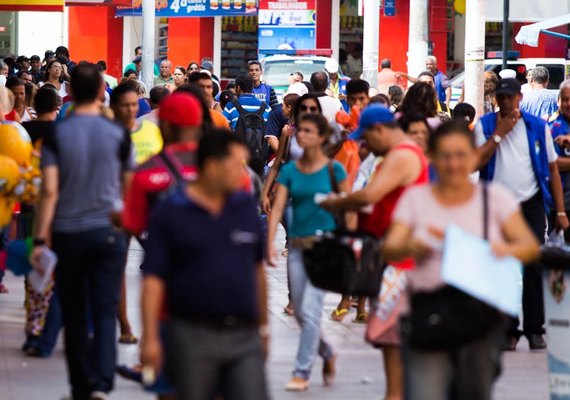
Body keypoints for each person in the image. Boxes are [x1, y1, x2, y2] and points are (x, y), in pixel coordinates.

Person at [384, 121, 540, 400]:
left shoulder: (495, 199)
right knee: (424, 393)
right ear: (431, 156)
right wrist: (410, 245)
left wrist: (504, 249)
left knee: (474, 392)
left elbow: (529, 246)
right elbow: (391, 247)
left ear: (473, 157)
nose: (453, 164)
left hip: (479, 318)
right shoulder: (416, 199)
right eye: (445, 155)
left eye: (460, 155)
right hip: (427, 314)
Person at [30, 63, 134, 400]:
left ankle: (80, 385)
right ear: (103, 91)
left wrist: (41, 237)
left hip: (68, 234)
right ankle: (102, 384)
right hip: (108, 232)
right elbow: (128, 188)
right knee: (104, 310)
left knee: (74, 314)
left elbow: (49, 191)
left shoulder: (57, 134)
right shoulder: (119, 134)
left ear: (70, 93)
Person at [140, 129, 269, 400]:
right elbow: (153, 279)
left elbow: (257, 270)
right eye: (236, 166)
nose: (243, 174)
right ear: (211, 167)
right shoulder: (172, 211)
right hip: (191, 334)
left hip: (244, 335)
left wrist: (263, 327)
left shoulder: (244, 207)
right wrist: (150, 337)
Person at [321, 105, 429, 400]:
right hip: (391, 256)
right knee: (391, 339)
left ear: (379, 129)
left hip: (399, 261)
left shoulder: (402, 155)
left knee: (393, 338)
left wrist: (336, 202)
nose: (365, 144)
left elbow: (370, 195)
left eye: (366, 137)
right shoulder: (399, 155)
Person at [475, 78, 569, 351]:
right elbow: (477, 161)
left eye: (510, 97)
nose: (505, 102)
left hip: (531, 204)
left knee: (533, 266)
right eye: (501, 97)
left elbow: (552, 169)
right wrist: (499, 134)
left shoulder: (537, 126)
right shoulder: (485, 125)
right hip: (497, 205)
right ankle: (508, 328)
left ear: (519, 98)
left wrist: (560, 210)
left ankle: (535, 329)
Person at [267, 113, 346, 392]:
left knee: (311, 311)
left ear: (322, 137)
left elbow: (347, 208)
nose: (302, 135)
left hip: (325, 248)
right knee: (300, 312)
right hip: (298, 249)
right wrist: (270, 243)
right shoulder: (290, 171)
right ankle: (326, 351)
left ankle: (301, 370)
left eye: (309, 131)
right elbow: (278, 208)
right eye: (300, 131)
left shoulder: (335, 171)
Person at [110, 83, 163, 166]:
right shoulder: (108, 133)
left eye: (134, 104)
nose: (130, 109)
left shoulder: (152, 129)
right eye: (125, 105)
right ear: (113, 106)